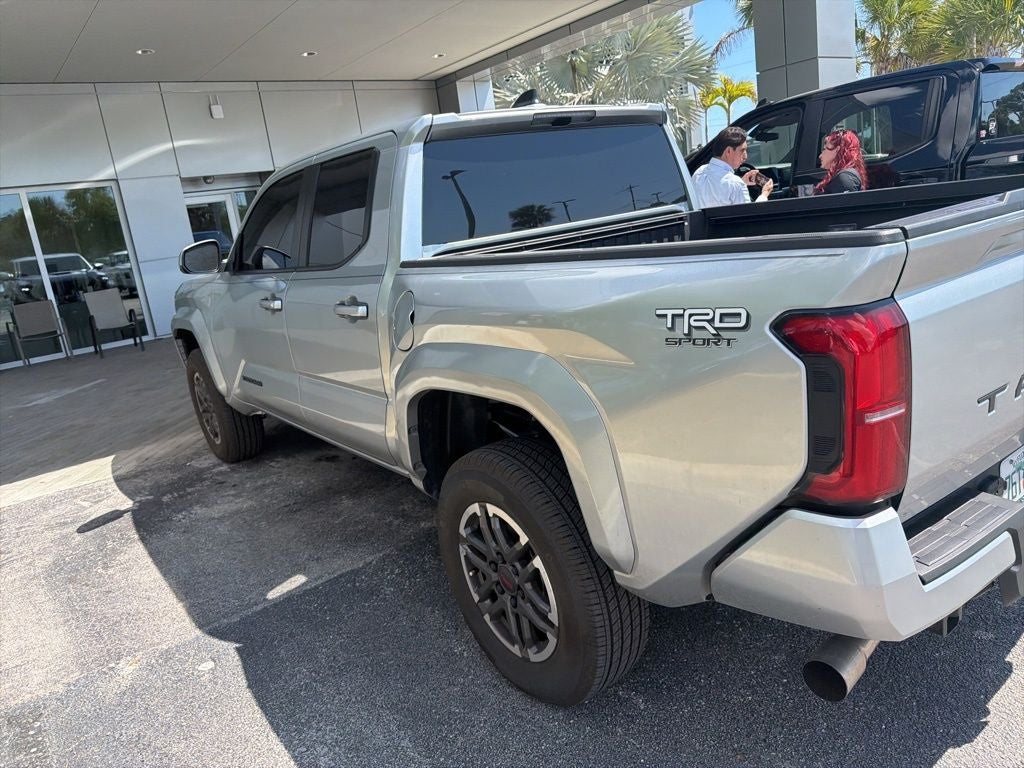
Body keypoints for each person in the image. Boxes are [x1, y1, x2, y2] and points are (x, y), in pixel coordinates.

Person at [692, 126, 774, 207]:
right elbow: (749, 217)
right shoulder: (736, 183)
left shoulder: (699, 173)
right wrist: (764, 194)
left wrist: (742, 182)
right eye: (742, 150)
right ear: (728, 151)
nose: (745, 156)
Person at [815, 128, 869, 195]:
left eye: (824, 149)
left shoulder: (845, 178)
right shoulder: (844, 175)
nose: (820, 156)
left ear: (837, 150)